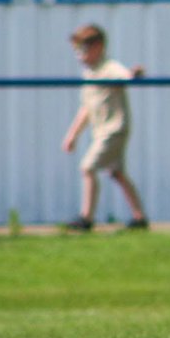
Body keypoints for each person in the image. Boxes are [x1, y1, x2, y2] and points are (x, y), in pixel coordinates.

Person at [61, 23, 149, 232]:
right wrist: (72, 135)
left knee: (87, 167)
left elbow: (125, 76)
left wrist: (134, 73)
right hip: (101, 131)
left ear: (98, 47)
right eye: (77, 51)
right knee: (116, 173)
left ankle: (86, 218)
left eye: (83, 50)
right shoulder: (89, 74)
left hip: (114, 129)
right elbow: (86, 109)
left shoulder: (109, 68)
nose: (80, 56)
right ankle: (140, 217)